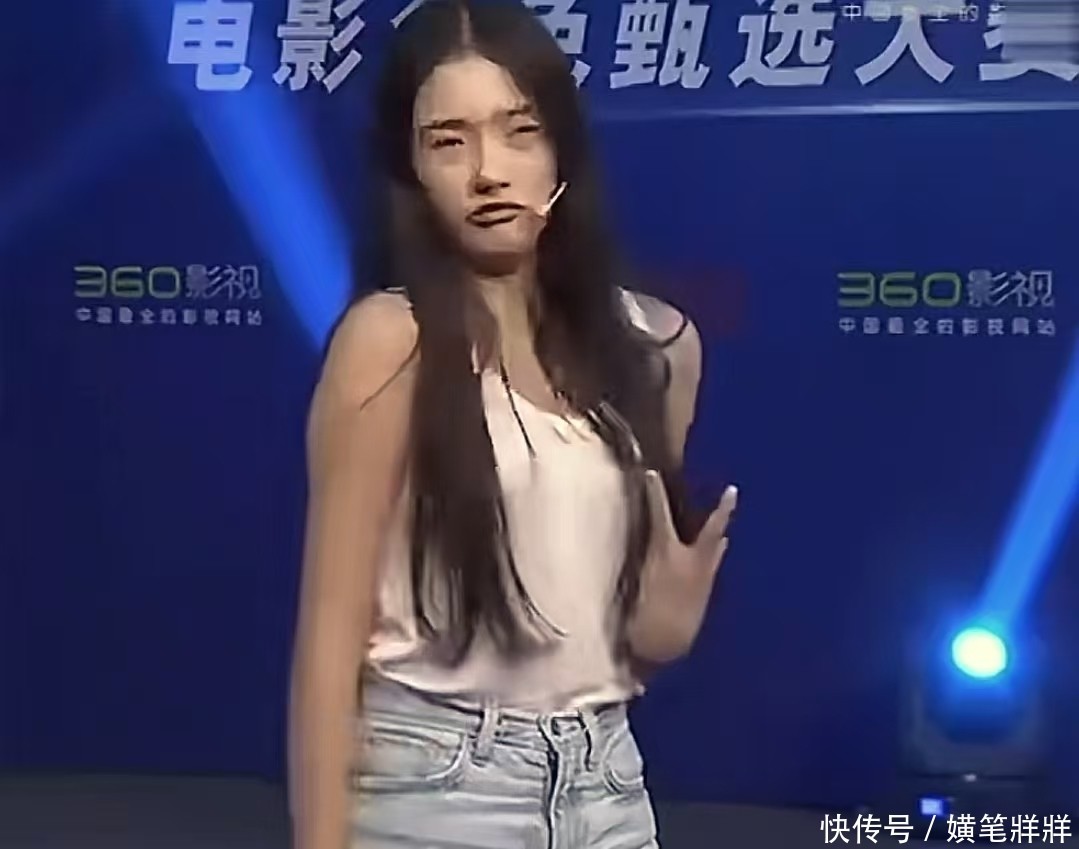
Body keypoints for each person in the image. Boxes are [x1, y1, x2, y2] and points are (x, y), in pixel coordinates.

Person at [287, 1, 737, 847]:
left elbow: (610, 633)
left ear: (561, 147)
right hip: (434, 784)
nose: (488, 171)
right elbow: (328, 640)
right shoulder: (390, 341)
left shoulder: (658, 347)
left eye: (518, 131)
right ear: (411, 169)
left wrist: (660, 631)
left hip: (607, 785)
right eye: (448, 141)